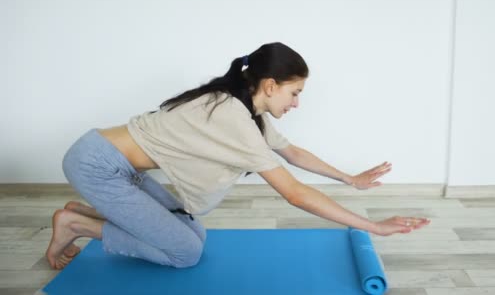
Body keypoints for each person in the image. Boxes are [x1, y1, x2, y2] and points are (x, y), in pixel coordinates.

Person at [46, 42, 430, 270]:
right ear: (269, 84)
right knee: (185, 252)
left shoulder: (247, 111)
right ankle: (76, 226)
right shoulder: (233, 117)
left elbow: (291, 151)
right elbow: (294, 193)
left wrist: (349, 179)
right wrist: (373, 227)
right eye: (294, 93)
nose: (297, 103)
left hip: (114, 163)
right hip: (97, 165)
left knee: (193, 229)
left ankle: (84, 212)